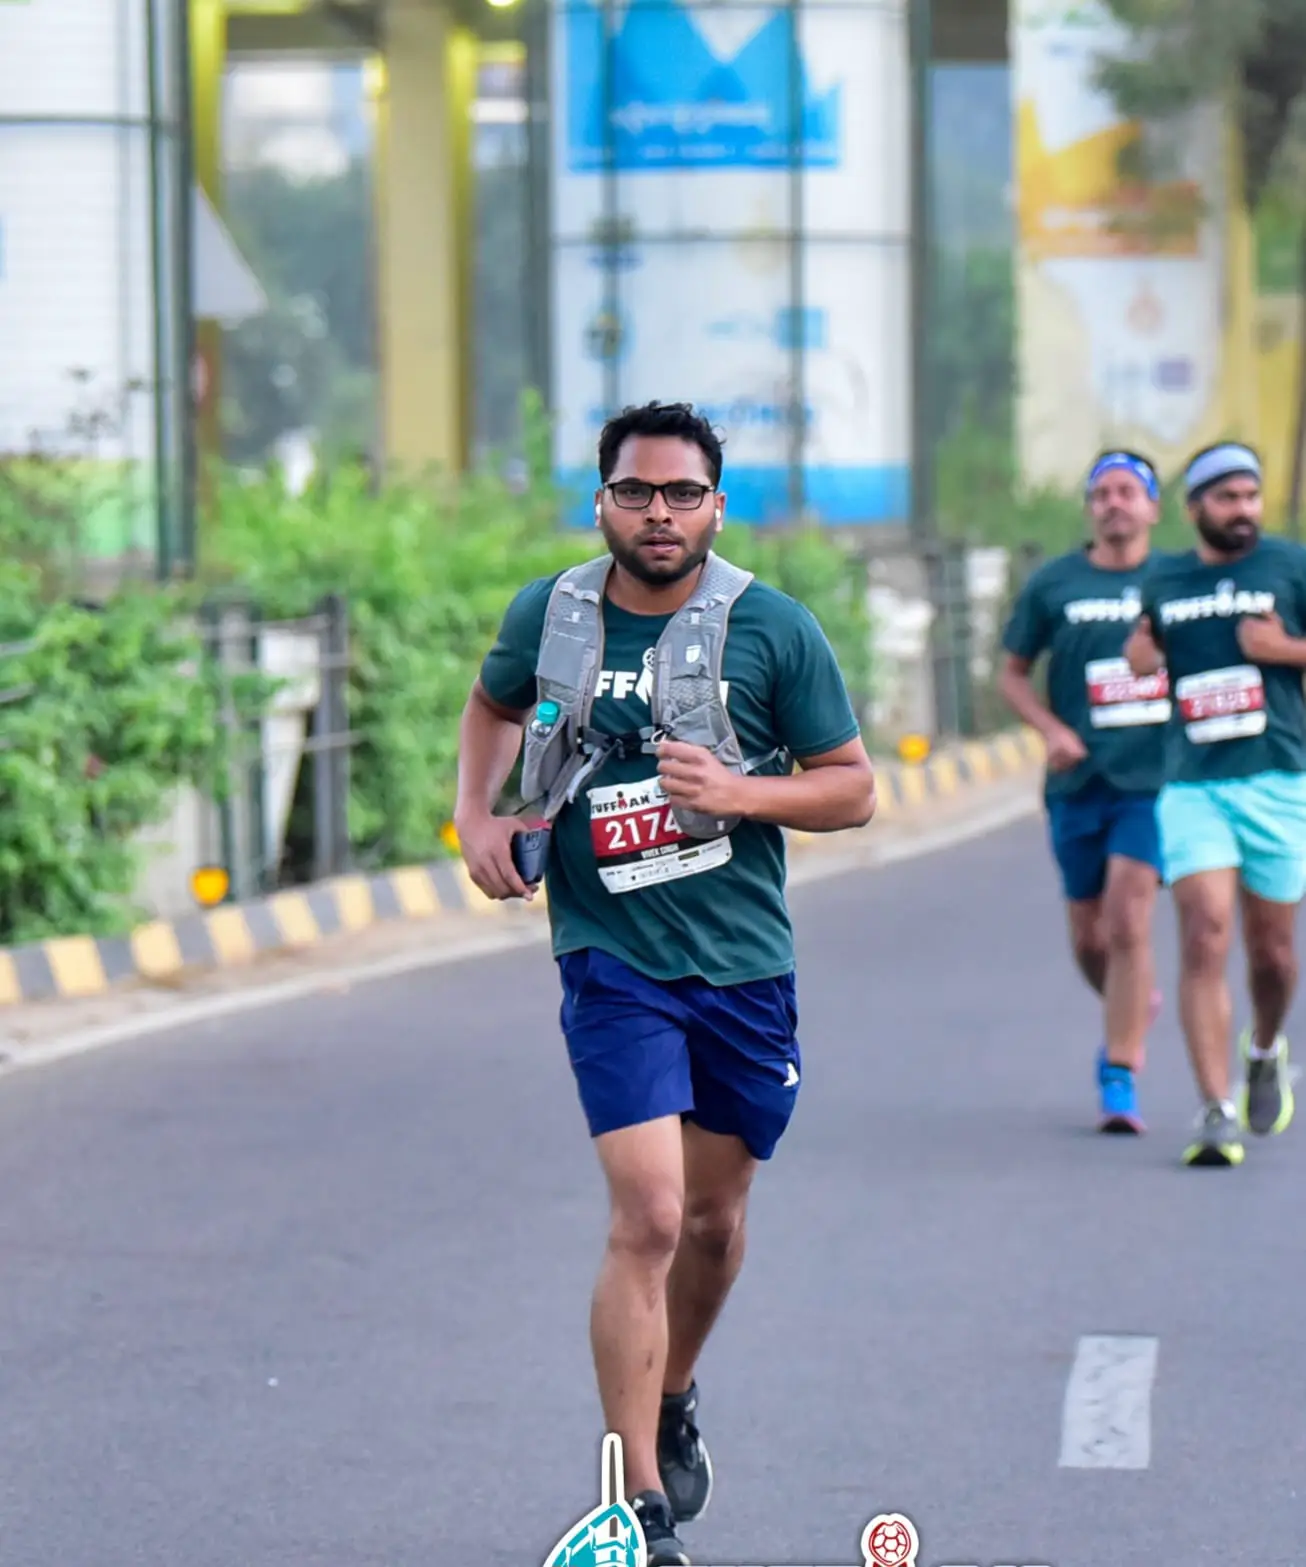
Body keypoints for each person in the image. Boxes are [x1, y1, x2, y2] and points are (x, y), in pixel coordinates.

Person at [453, 401, 876, 1564]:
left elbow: (850, 788)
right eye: (635, 491)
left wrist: (743, 793)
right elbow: (491, 704)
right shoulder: (551, 612)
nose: (657, 513)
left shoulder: (771, 630)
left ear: (714, 507)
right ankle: (635, 1502)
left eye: (680, 494)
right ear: (601, 499)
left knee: (713, 1219)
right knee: (645, 1213)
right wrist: (472, 815)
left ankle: (675, 1388)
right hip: (609, 954)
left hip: (741, 963)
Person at [1126, 441, 1306, 1167]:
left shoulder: (1290, 566)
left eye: (1251, 497)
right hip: (1192, 782)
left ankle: (1263, 1047)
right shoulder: (1164, 578)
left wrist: (1285, 650)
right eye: (1227, 498)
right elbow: (1145, 647)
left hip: (1278, 778)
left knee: (1273, 953)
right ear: (1195, 506)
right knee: (1204, 931)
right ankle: (1215, 1107)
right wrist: (1142, 655)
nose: (1243, 510)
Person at [998, 450, 1169, 1133]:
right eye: (1103, 493)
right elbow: (1012, 673)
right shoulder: (1054, 584)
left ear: (1154, 507)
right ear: (1090, 508)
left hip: (1154, 778)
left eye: (1129, 491)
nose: (1116, 503)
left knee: (1130, 919)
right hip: (1078, 782)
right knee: (1091, 938)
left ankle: (1119, 1071)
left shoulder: (1177, 581)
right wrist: (1049, 728)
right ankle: (1131, 1001)